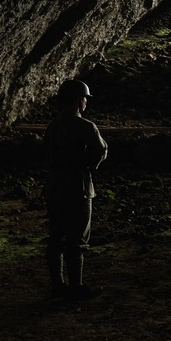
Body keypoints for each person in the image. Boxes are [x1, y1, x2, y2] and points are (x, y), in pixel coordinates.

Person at [43, 79, 108, 301]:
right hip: (78, 186)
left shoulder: (53, 127)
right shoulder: (86, 126)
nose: (86, 103)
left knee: (56, 237)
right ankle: (76, 287)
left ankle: (57, 286)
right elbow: (101, 150)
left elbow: (46, 155)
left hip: (55, 186)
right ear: (79, 100)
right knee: (77, 238)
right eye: (85, 99)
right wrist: (89, 165)